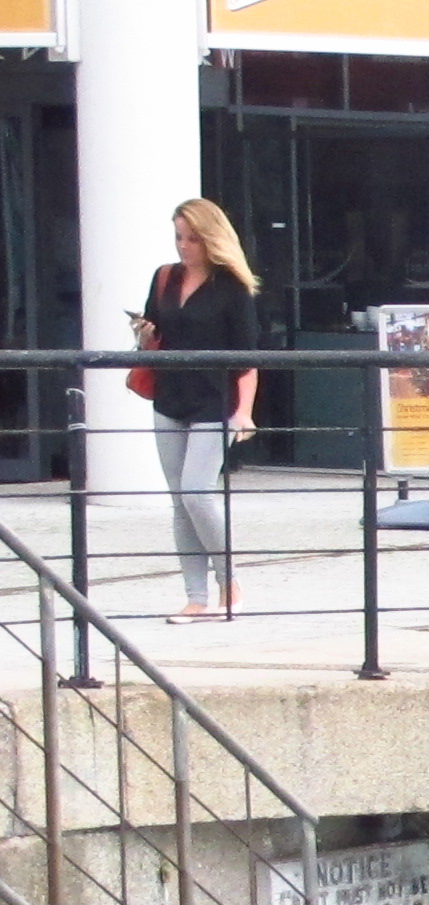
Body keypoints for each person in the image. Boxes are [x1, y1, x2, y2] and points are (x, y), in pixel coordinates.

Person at [129, 198, 259, 622]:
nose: (184, 247)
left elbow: (247, 357)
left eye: (192, 239)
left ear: (211, 238)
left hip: (213, 400)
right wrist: (145, 333)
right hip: (170, 398)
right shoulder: (165, 278)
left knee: (197, 492)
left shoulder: (232, 287)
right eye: (179, 238)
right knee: (180, 500)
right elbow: (155, 336)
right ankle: (196, 596)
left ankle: (230, 582)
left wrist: (244, 412)